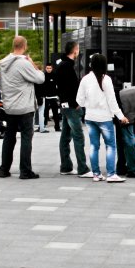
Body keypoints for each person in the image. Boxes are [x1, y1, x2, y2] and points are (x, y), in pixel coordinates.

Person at [0, 35, 44, 179]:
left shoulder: (3, 63)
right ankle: (25, 170)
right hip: (24, 107)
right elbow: (40, 78)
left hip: (9, 107)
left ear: (13, 46)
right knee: (26, 138)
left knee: (9, 138)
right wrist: (33, 64)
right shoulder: (24, 63)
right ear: (25, 46)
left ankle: (4, 169)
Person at [77, 52, 127, 182]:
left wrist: (89, 103)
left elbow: (80, 101)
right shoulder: (107, 79)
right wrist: (121, 116)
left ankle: (96, 174)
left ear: (91, 65)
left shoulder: (85, 79)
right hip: (105, 118)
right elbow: (112, 101)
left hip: (90, 117)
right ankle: (111, 174)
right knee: (110, 146)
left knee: (94, 146)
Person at [52, 40, 88, 177]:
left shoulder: (62, 65)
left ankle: (66, 167)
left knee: (65, 136)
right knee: (78, 136)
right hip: (71, 107)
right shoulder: (67, 66)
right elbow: (69, 88)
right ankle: (83, 168)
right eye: (78, 49)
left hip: (65, 105)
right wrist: (76, 103)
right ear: (75, 50)